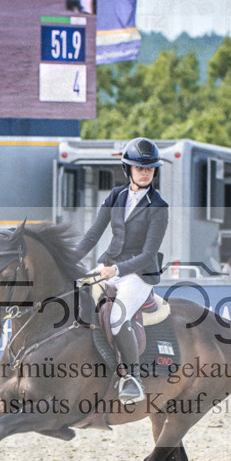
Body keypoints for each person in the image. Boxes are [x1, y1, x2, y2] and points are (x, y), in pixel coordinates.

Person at [74, 137, 168, 404]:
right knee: (75, 294)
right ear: (128, 170)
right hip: (110, 264)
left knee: (116, 317)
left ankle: (132, 379)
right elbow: (93, 234)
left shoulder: (159, 208)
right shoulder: (116, 195)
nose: (145, 172)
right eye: (140, 167)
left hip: (139, 273)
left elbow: (149, 254)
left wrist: (115, 270)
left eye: (150, 168)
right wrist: (69, 260)